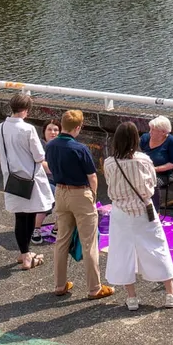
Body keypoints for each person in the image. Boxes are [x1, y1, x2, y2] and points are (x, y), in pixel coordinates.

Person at [102, 122, 173, 310]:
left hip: (120, 212)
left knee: (122, 251)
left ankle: (132, 298)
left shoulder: (109, 162)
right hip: (143, 209)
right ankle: (170, 294)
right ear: (135, 139)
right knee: (157, 247)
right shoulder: (143, 160)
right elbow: (151, 185)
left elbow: (110, 184)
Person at [47, 110, 113, 299]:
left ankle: (59, 285)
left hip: (60, 191)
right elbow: (92, 176)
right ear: (78, 127)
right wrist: (92, 196)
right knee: (89, 242)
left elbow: (51, 167)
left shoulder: (51, 145)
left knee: (62, 240)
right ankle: (94, 287)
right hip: (79, 193)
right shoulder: (80, 148)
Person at [0, 93, 55, 270]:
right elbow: (38, 156)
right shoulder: (28, 129)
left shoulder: (0, 128)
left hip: (12, 179)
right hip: (30, 178)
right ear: (26, 110)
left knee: (20, 216)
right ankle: (26, 255)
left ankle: (24, 252)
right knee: (30, 216)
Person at [141, 116, 173, 210]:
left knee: (151, 182)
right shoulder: (145, 138)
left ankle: (155, 210)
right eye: (150, 129)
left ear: (163, 132)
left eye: (153, 129)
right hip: (144, 171)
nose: (150, 132)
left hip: (164, 174)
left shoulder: (171, 141)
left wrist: (154, 169)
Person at [32, 120, 61, 241]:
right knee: (49, 201)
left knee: (66, 202)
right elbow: (41, 164)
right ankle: (36, 229)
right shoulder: (39, 145)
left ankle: (56, 229)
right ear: (44, 131)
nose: (53, 132)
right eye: (49, 129)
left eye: (56, 130)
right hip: (43, 180)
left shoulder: (61, 145)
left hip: (60, 179)